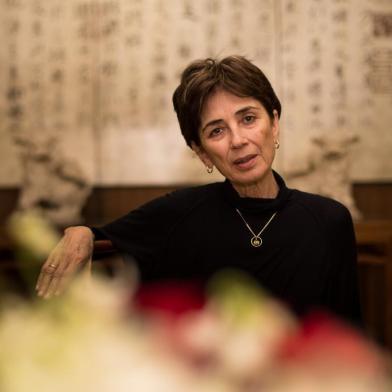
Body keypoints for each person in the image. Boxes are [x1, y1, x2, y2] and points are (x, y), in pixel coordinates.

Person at [36, 55, 361, 325]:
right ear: (202, 151)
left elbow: (348, 338)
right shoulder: (179, 215)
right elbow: (105, 239)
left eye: (248, 118)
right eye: (217, 130)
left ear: (274, 123)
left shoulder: (328, 221)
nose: (238, 140)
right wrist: (82, 233)